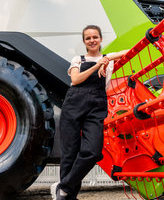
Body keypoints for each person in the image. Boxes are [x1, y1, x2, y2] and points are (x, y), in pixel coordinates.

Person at [55, 25, 127, 200]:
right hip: (73, 105)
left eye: (95, 37)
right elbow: (75, 79)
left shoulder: (107, 59)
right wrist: (97, 66)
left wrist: (153, 39)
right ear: (84, 42)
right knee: (69, 153)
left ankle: (63, 188)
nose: (92, 40)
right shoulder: (77, 59)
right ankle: (67, 196)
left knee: (93, 152)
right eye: (88, 38)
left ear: (101, 39)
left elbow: (129, 50)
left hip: (96, 107)